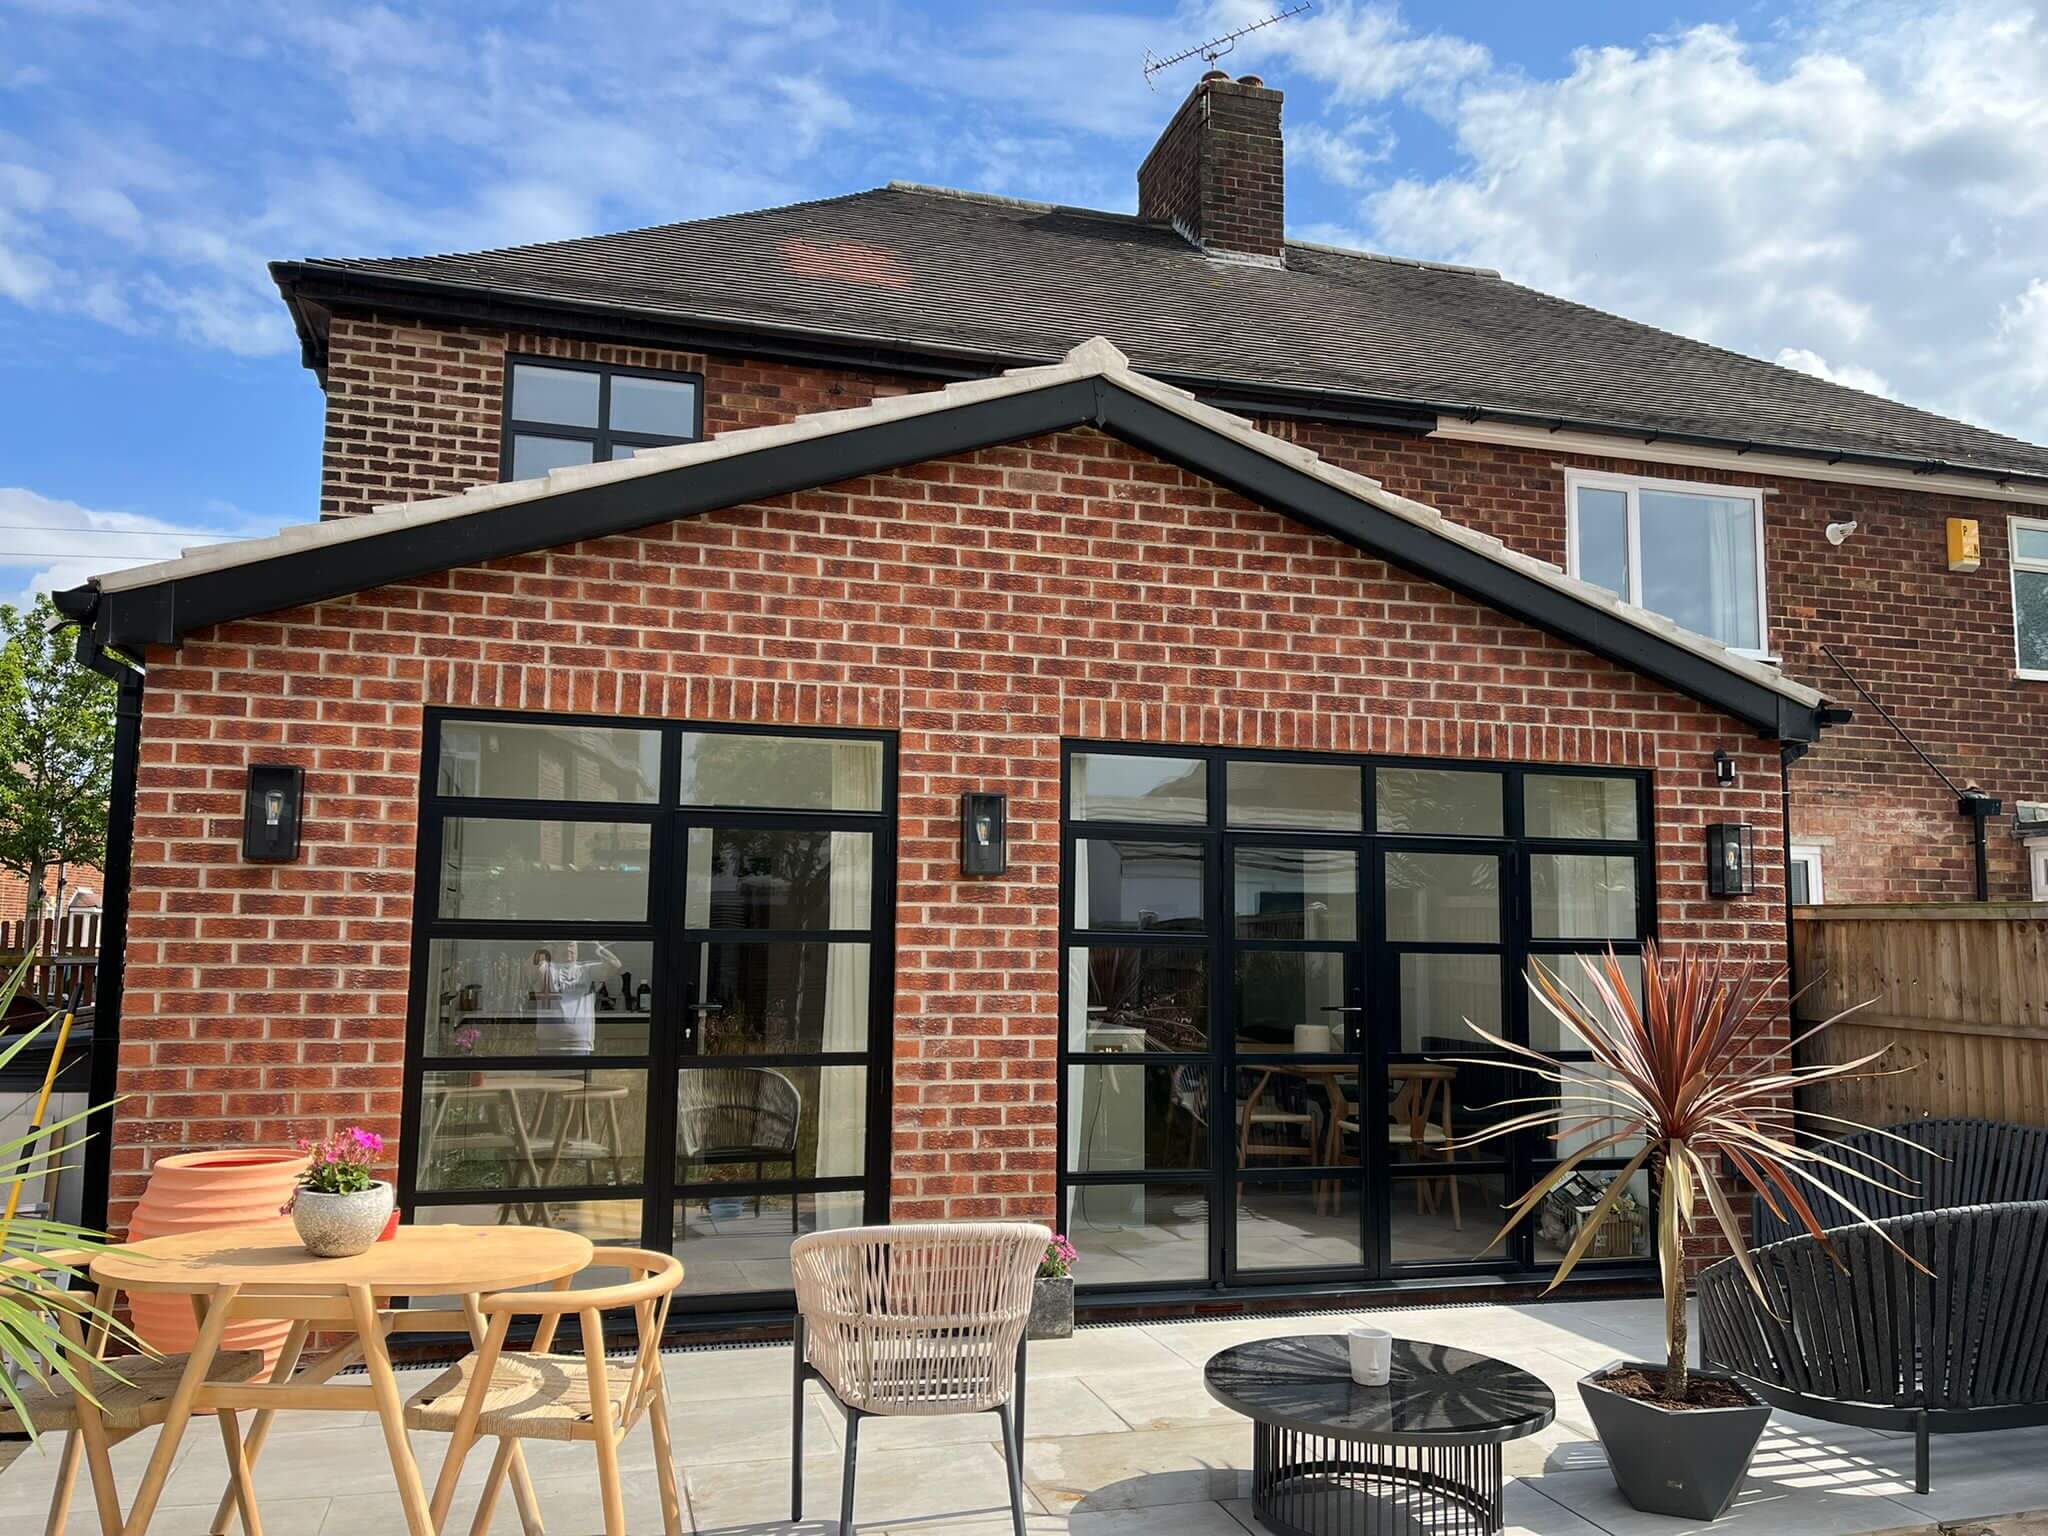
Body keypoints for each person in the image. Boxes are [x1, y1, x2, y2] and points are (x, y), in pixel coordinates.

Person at [527, 941, 622, 1055]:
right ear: (554, 948)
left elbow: (615, 965)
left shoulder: (587, 970)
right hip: (548, 1044)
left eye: (572, 945)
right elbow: (531, 965)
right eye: (564, 945)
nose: (568, 949)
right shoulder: (545, 970)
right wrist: (548, 947)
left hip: (581, 1045)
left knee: (579, 1073)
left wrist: (597, 947)